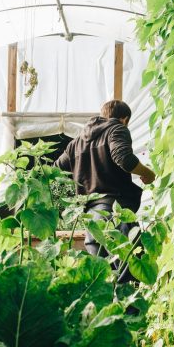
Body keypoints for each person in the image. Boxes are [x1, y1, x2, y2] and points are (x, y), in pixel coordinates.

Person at [54, 100, 155, 276]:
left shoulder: (76, 142)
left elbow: (54, 170)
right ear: (124, 119)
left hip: (91, 219)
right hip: (115, 212)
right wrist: (147, 173)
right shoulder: (116, 129)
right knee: (130, 274)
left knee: (104, 278)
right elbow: (124, 159)